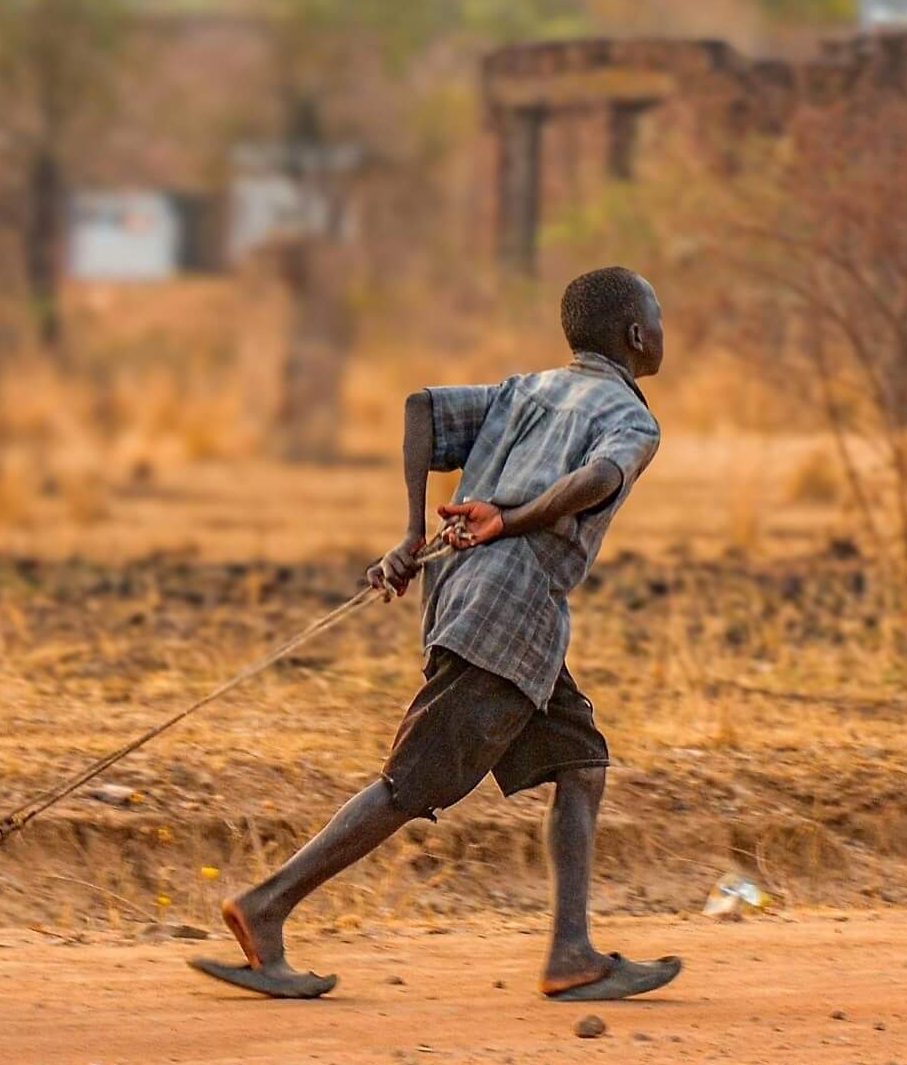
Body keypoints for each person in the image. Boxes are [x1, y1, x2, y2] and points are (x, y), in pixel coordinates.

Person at [194, 266, 679, 1003]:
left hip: (500, 616)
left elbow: (422, 408)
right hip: (507, 614)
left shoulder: (527, 390)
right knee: (410, 784)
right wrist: (512, 519)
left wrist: (413, 533)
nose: (663, 329)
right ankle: (267, 906)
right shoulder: (630, 417)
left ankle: (572, 952)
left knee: (580, 764)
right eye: (659, 317)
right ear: (637, 335)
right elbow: (600, 479)